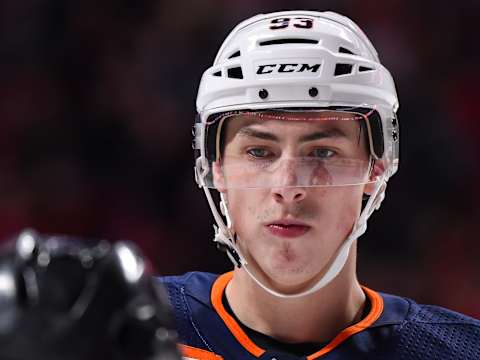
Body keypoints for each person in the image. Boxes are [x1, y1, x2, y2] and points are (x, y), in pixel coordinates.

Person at [159, 10, 480, 360]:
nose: (288, 185)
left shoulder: (459, 351)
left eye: (323, 152)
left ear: (378, 166)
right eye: (259, 151)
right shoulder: (126, 328)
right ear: (215, 167)